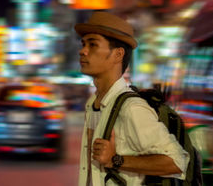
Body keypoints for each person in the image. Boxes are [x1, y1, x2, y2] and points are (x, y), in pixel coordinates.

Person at [75, 11, 190, 185]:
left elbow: (177, 161)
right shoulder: (93, 103)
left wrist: (115, 160)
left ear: (118, 54)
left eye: (93, 45)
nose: (83, 51)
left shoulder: (131, 108)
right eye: (83, 44)